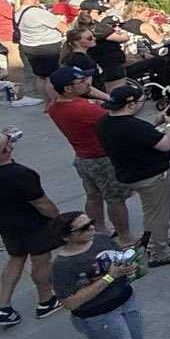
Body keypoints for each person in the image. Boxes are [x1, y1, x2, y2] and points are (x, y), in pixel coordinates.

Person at [54, 209, 163, 339]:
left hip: (125, 300)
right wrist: (109, 277)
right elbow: (69, 303)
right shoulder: (63, 265)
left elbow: (119, 259)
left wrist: (132, 263)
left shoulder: (101, 240)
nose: (92, 228)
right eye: (84, 228)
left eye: (91, 222)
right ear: (66, 237)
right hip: (97, 316)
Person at [0, 132, 62, 328]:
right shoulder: (21, 174)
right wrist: (59, 220)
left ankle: (4, 306)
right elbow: (42, 203)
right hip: (33, 224)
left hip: (4, 223)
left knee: (16, 258)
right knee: (40, 261)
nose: (11, 143)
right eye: (7, 142)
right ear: (6, 151)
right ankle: (46, 300)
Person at [97, 83, 170, 265]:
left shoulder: (104, 123)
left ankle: (157, 241)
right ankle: (159, 251)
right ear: (130, 104)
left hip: (128, 173)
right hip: (151, 176)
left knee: (152, 213)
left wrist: (155, 123)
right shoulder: (133, 126)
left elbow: (137, 135)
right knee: (157, 215)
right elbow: (166, 144)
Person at [45, 65, 132, 244]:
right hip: (102, 158)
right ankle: (125, 237)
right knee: (115, 199)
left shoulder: (55, 106)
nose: (88, 83)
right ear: (68, 88)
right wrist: (108, 99)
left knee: (93, 195)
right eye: (82, 81)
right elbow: (118, 120)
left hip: (83, 157)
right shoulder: (84, 108)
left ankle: (98, 230)